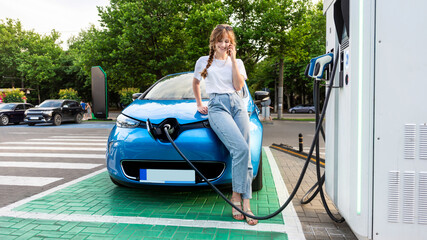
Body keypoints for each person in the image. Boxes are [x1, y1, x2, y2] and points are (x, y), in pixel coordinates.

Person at [192, 24, 257, 225]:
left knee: (244, 151)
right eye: (220, 40)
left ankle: (245, 202)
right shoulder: (203, 62)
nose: (223, 44)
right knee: (240, 149)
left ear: (231, 43)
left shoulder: (237, 62)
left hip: (238, 105)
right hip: (218, 105)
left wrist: (234, 59)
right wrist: (200, 103)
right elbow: (195, 83)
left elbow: (238, 86)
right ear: (213, 42)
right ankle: (236, 198)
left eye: (227, 41)